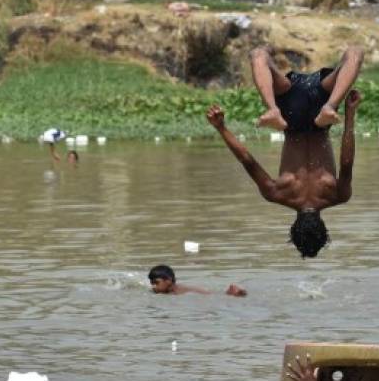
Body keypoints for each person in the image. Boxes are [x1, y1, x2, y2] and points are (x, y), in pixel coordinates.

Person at [206, 46, 364, 259]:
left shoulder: (339, 196)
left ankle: (326, 105)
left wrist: (349, 115)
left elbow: (347, 162)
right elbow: (247, 160)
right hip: (292, 116)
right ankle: (272, 108)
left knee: (354, 54)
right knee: (258, 55)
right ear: (293, 228)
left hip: (320, 114)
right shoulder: (276, 194)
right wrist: (221, 128)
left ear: (324, 228)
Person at [147, 265, 246, 296]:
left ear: (168, 280)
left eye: (156, 282)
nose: (153, 286)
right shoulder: (169, 290)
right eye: (151, 283)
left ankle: (233, 293)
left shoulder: (179, 292)